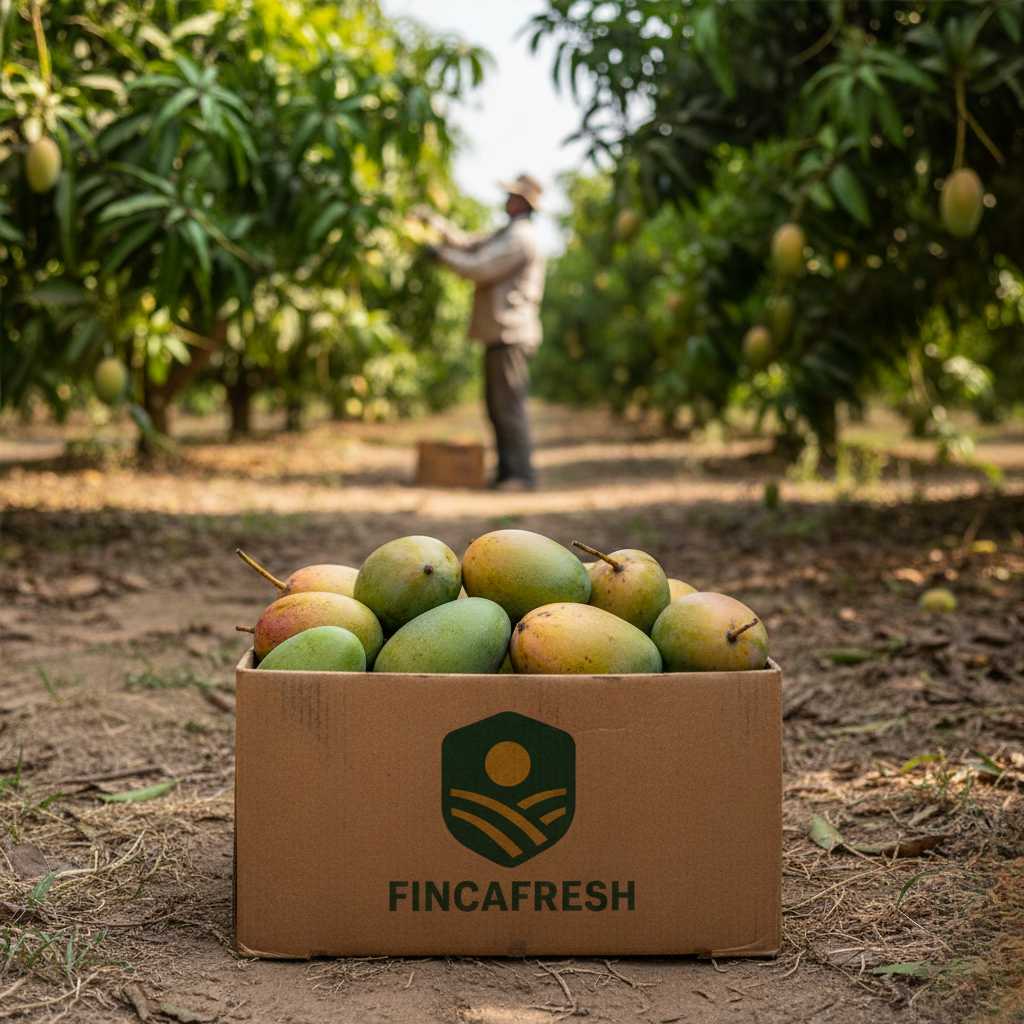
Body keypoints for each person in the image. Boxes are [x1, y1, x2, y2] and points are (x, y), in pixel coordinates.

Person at [414, 174, 546, 491]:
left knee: (508, 407)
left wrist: (439, 255)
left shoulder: (520, 239)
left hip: (511, 333)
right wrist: (435, 223)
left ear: (522, 204)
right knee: (497, 406)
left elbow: (480, 268)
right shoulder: (507, 234)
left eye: (512, 197)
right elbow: (467, 242)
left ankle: (520, 475)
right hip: (499, 333)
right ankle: (506, 472)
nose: (506, 201)